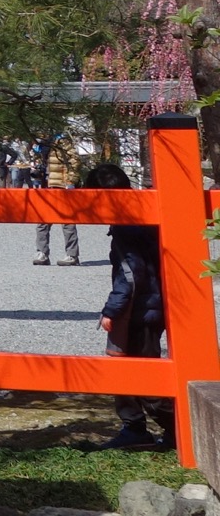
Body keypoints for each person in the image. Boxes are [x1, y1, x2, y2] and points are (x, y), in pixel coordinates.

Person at [87, 162, 175, 448]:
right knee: (127, 364)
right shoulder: (143, 210)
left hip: (142, 307)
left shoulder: (126, 223)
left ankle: (172, 426)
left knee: (137, 370)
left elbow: (131, 273)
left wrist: (112, 310)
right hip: (154, 303)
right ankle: (137, 426)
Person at [33, 135, 81, 266]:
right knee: (42, 221)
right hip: (46, 187)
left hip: (61, 185)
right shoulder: (40, 145)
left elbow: (75, 160)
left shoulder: (62, 141)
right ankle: (42, 253)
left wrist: (70, 180)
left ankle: (72, 255)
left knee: (67, 222)